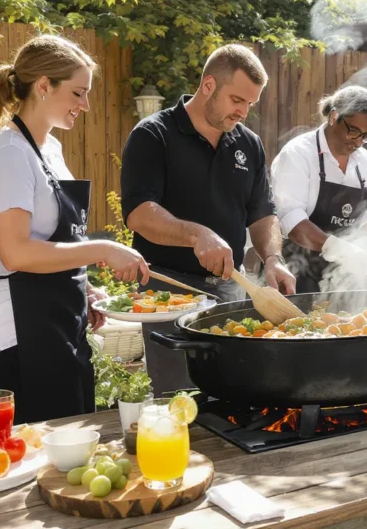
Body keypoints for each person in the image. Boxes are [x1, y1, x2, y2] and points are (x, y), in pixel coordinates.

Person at [0, 35, 149, 424]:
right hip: (21, 329)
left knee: (76, 435)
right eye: (78, 93)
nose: (85, 105)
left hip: (56, 316)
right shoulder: (9, 155)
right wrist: (103, 249)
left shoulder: (48, 148)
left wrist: (81, 285)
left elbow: (52, 240)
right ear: (44, 86)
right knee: (48, 449)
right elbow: (16, 253)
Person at [121, 44, 295, 392]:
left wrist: (273, 259)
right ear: (209, 85)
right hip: (168, 290)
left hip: (232, 289)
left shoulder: (249, 144)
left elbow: (262, 212)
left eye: (250, 104)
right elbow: (139, 214)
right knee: (178, 400)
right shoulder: (153, 135)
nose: (243, 112)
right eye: (237, 100)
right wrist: (197, 235)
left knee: (235, 392)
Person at [271, 86, 367, 293]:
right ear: (333, 117)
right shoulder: (298, 154)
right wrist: (341, 249)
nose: (358, 142)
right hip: (295, 273)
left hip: (342, 276)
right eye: (353, 131)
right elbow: (292, 221)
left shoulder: (365, 161)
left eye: (366, 136)